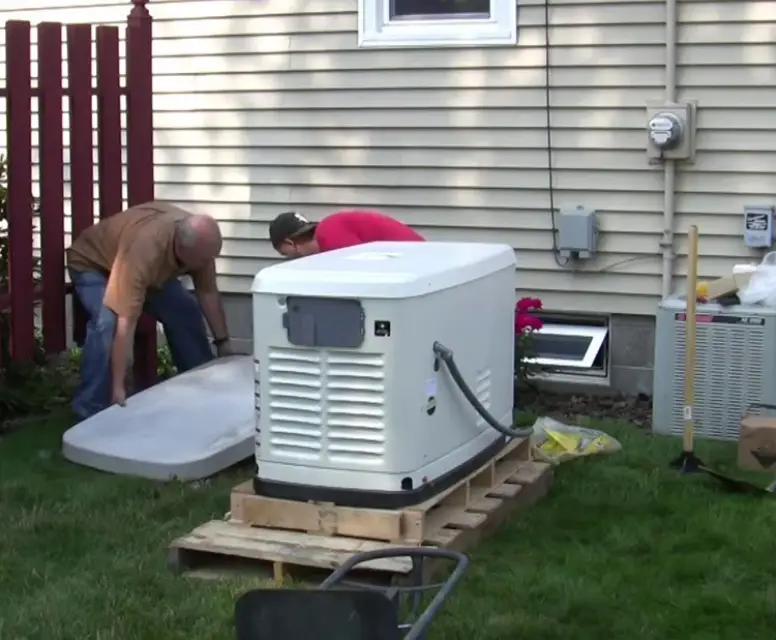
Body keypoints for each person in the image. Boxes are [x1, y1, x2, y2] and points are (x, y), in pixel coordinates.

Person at [66, 200, 233, 420]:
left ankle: (200, 387)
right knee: (107, 322)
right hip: (94, 265)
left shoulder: (200, 245)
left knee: (185, 310)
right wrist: (119, 387)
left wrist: (223, 343)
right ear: (183, 250)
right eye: (205, 260)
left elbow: (208, 292)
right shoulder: (144, 251)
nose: (208, 263)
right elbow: (125, 324)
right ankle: (91, 409)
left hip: (146, 271)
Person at [269, 209, 424, 258]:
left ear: (290, 243)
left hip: (415, 257)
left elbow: (357, 274)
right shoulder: (328, 232)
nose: (289, 258)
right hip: (412, 256)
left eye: (285, 253)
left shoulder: (330, 237)